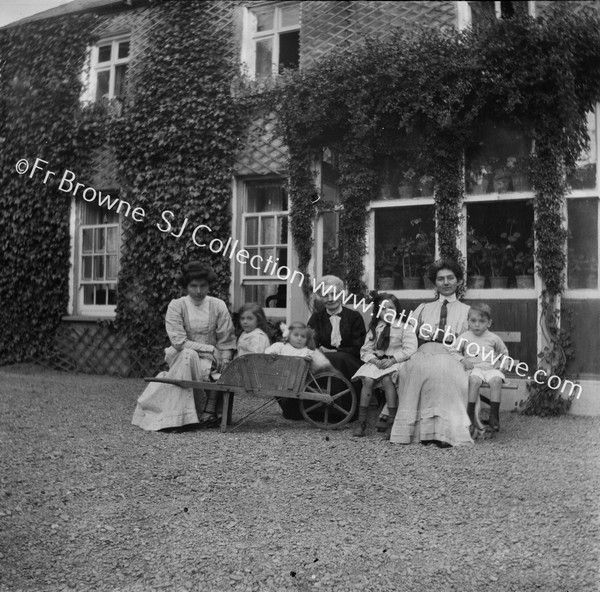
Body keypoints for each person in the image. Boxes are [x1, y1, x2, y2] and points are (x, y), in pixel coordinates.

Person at [131, 262, 236, 431]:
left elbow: (227, 338)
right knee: (188, 354)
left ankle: (200, 412)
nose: (199, 291)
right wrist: (210, 349)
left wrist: (225, 359)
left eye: (203, 286)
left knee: (203, 360)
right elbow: (178, 342)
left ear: (209, 285)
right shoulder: (176, 305)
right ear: (185, 286)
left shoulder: (218, 305)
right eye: (193, 286)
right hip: (180, 355)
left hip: (212, 360)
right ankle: (178, 418)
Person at [389, 259, 473, 447]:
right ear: (435, 283)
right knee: (415, 369)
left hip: (452, 353)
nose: (446, 283)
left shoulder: (467, 311)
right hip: (424, 350)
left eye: (450, 278)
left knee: (443, 370)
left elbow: (471, 342)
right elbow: (407, 333)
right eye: (440, 279)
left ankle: (446, 433)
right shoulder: (423, 308)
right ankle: (422, 432)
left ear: (458, 281)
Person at [352, 294, 417, 437]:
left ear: (397, 310)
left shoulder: (405, 327)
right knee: (368, 380)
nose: (387, 312)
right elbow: (366, 350)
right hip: (379, 362)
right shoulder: (375, 327)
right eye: (382, 309)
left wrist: (393, 360)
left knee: (388, 380)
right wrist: (374, 360)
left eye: (391, 308)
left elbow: (410, 349)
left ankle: (391, 421)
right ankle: (362, 421)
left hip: (396, 363)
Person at [457, 303, 509, 434]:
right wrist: (463, 359)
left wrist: (503, 365)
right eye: (473, 321)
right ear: (467, 322)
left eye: (481, 321)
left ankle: (494, 417)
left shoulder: (493, 338)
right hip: (474, 369)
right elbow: (453, 351)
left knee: (496, 380)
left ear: (489, 323)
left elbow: (504, 353)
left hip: (490, 368)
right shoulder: (464, 337)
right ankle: (470, 417)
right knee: (474, 380)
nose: (477, 325)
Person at [265, 322, 332, 373]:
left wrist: (310, 359)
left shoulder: (306, 351)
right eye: (296, 335)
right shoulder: (281, 346)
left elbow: (320, 362)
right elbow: (269, 351)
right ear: (289, 336)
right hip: (279, 374)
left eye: (303, 336)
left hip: (296, 378)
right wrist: (273, 353)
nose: (299, 338)